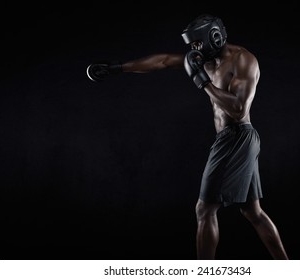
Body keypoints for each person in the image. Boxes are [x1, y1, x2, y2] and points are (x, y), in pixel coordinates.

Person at [86, 14, 289, 260]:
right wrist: (118, 67)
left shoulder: (244, 60)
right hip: (233, 139)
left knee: (204, 209)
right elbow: (163, 61)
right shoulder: (203, 59)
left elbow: (238, 110)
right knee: (252, 212)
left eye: (196, 43)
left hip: (237, 137)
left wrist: (201, 82)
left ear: (213, 38)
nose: (193, 50)